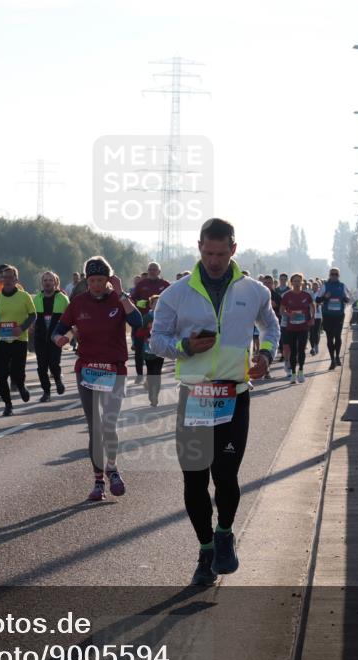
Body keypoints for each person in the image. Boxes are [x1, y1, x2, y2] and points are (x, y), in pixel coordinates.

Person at [150, 218, 277, 586]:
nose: (215, 261)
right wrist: (184, 348)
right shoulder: (176, 294)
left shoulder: (253, 291)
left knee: (225, 476)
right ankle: (205, 550)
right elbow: (155, 340)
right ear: (199, 247)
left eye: (222, 253)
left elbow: (271, 327)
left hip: (234, 396)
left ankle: (224, 533)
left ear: (233, 249)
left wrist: (266, 356)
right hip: (195, 397)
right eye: (208, 253)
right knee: (193, 480)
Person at [53, 256, 141, 501]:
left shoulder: (118, 299)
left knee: (109, 424)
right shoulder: (78, 302)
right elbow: (58, 330)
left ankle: (112, 468)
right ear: (86, 280)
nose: (96, 285)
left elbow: (137, 321)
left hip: (114, 370)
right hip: (87, 370)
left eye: (101, 280)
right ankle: (98, 481)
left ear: (109, 279)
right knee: (95, 428)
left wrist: (122, 294)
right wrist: (60, 339)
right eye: (92, 280)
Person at [0, 265, 35, 416]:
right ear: (1, 279)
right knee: (0, 373)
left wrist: (22, 328)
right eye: (5, 277)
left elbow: (32, 315)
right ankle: (8, 404)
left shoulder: (24, 296)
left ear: (16, 279)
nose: (8, 280)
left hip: (19, 339)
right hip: (2, 339)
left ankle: (21, 386)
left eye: (11, 277)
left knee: (17, 371)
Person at [130, 262, 170, 385]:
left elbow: (173, 301)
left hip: (159, 323)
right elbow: (132, 299)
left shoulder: (165, 284)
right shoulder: (142, 284)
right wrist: (138, 303)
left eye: (154, 269)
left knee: (158, 349)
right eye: (150, 269)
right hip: (141, 321)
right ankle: (139, 375)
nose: (152, 271)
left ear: (159, 271)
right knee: (139, 349)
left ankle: (154, 374)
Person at [31, 271, 68, 402]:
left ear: (56, 283)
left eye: (50, 280)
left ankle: (58, 380)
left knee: (53, 363)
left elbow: (69, 318)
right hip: (40, 338)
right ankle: (46, 392)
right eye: (45, 280)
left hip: (55, 338)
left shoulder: (63, 299)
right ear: (42, 283)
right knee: (41, 367)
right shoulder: (36, 299)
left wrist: (67, 335)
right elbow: (31, 317)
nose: (47, 282)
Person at [279, 273, 316, 383]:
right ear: (291, 282)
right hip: (291, 327)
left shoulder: (306, 295)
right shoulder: (287, 295)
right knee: (293, 351)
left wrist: (312, 318)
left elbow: (313, 306)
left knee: (301, 350)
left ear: (302, 282)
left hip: (303, 327)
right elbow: (281, 310)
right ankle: (293, 373)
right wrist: (288, 314)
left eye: (299, 281)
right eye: (294, 281)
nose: (297, 283)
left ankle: (301, 371)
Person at [316, 267, 351, 370]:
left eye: (336, 274)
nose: (334, 276)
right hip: (327, 316)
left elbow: (348, 299)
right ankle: (332, 360)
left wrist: (345, 299)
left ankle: (337, 357)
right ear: (329, 275)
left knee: (338, 336)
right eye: (332, 274)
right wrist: (325, 297)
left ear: (339, 275)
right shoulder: (325, 286)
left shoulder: (342, 286)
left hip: (339, 315)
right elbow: (317, 299)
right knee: (330, 338)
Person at [139, 295, 164, 407]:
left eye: (160, 303)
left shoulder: (165, 316)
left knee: (157, 373)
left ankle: (155, 396)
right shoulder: (146, 317)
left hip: (160, 349)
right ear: (151, 305)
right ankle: (151, 392)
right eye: (155, 303)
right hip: (148, 350)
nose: (158, 305)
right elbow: (138, 333)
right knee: (151, 373)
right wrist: (148, 331)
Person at [309, 279, 323, 355]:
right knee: (311, 332)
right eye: (313, 286)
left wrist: (319, 304)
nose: (314, 288)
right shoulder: (310, 294)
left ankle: (316, 345)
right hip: (311, 315)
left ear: (318, 287)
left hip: (318, 316)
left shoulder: (320, 294)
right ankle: (312, 347)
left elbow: (322, 302)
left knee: (316, 331)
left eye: (316, 286)